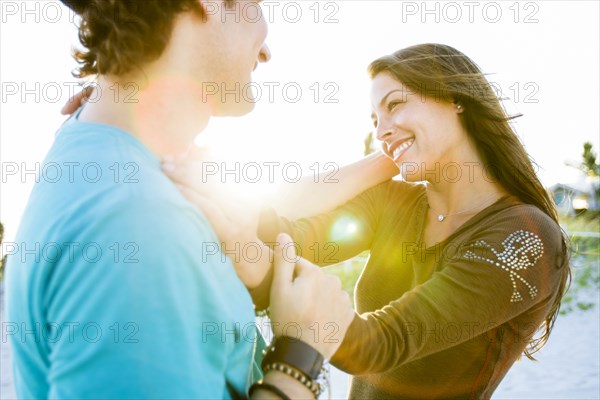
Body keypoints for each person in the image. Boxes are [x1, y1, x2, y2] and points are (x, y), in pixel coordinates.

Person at [163, 43, 572, 398]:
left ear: (455, 97)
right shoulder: (392, 203)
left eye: (394, 105)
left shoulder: (526, 237)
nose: (382, 129)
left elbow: (378, 343)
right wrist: (385, 159)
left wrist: (262, 268)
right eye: (375, 121)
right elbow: (288, 235)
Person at [5, 1, 354, 399]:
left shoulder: (91, 141)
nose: (265, 51)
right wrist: (300, 357)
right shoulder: (139, 224)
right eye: (255, 4)